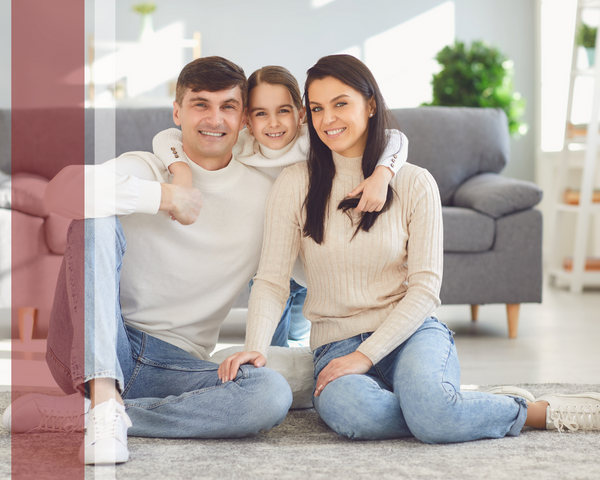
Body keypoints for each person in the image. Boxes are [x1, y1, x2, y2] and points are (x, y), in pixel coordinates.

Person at [218, 54, 600, 442]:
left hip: (411, 334)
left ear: (370, 105)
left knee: (432, 416)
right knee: (360, 415)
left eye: (340, 104)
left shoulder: (415, 183)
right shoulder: (295, 183)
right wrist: (255, 348)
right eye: (317, 108)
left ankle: (534, 411)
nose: (327, 119)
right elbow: (270, 282)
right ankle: (443, 407)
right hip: (334, 345)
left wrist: (365, 356)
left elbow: (425, 291)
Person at [2, 56, 294, 465]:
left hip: (173, 364)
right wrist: (165, 196)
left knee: (270, 394)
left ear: (244, 118)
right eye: (200, 104)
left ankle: (95, 414)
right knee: (94, 215)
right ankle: (103, 397)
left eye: (227, 106)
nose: (214, 118)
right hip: (92, 342)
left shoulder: (268, 196)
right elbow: (60, 192)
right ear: (177, 112)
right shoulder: (145, 166)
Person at [152, 65, 408, 348]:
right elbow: (167, 137)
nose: (273, 123)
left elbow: (395, 137)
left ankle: (299, 342)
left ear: (301, 114)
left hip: (315, 262)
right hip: (272, 264)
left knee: (300, 332)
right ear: (246, 120)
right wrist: (182, 173)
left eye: (283, 111)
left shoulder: (313, 141)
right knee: (272, 345)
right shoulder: (241, 145)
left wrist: (382, 175)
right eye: (261, 113)